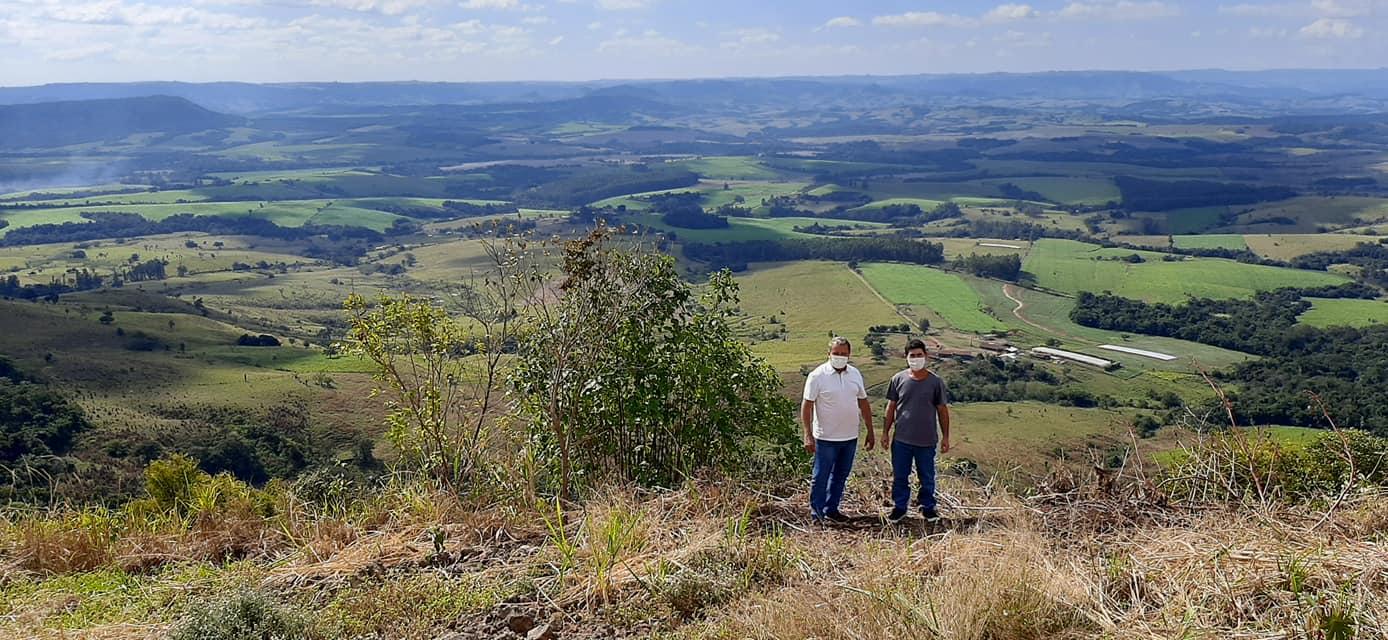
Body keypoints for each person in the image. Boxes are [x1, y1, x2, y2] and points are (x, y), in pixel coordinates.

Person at [801, 336, 874, 523]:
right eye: (836, 353)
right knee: (820, 477)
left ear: (849, 355)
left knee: (840, 476)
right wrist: (808, 435)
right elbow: (807, 406)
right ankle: (816, 514)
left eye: (844, 354)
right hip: (826, 437)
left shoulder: (855, 374)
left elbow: (863, 403)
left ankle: (832, 509)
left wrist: (870, 430)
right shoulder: (817, 376)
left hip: (850, 437)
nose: (840, 357)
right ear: (829, 354)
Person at [881, 339, 951, 523]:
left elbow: (942, 410)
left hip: (927, 440)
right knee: (900, 476)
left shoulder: (936, 382)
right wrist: (885, 432)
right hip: (902, 439)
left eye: (919, 355)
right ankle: (900, 507)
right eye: (912, 355)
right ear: (906, 357)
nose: (916, 358)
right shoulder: (898, 379)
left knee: (927, 477)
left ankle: (928, 507)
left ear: (926, 356)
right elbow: (891, 408)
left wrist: (946, 437)